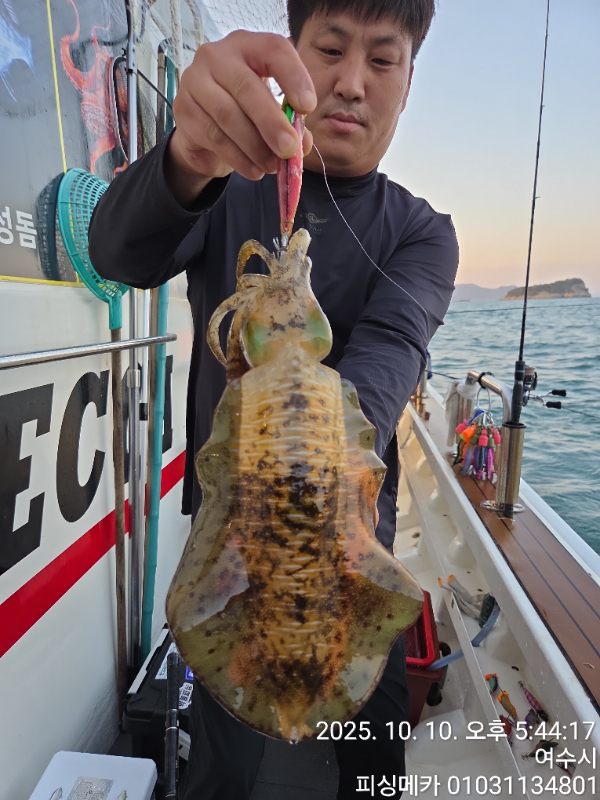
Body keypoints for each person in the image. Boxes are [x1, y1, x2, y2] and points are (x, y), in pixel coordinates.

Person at [89, 0, 458, 796]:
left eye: (382, 60)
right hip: (232, 552)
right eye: (329, 48)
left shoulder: (423, 232)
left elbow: (392, 354)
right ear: (291, 57)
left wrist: (297, 409)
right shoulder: (225, 184)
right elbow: (117, 254)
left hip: (360, 549)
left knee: (373, 770)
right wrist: (188, 155)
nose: (351, 82)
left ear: (408, 79)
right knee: (221, 770)